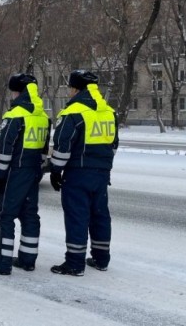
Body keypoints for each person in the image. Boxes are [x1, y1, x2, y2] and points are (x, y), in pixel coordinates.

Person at [0, 73, 50, 275]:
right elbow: (45, 148)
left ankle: (2, 263)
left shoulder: (15, 115)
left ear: (18, 92)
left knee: (4, 215)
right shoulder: (42, 116)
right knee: (29, 215)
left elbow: (5, 148)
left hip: (15, 172)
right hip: (33, 171)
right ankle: (28, 260)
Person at [49, 70, 118, 276]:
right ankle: (101, 258)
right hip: (101, 174)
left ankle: (75, 263)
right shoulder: (108, 111)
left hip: (78, 174)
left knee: (77, 216)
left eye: (70, 87)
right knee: (100, 216)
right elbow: (113, 145)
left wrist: (55, 171)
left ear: (75, 88)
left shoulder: (74, 112)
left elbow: (63, 146)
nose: (69, 91)